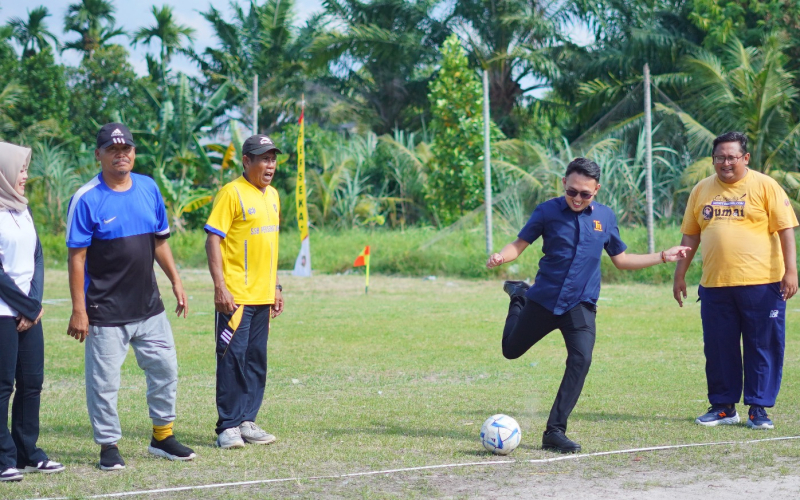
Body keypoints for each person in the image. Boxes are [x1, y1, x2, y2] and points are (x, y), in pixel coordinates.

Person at [487, 157, 691, 453]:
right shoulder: (547, 211)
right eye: (572, 191)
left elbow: (621, 261)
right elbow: (518, 245)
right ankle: (519, 296)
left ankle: (554, 431)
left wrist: (663, 256)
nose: (577, 198)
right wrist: (501, 257)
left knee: (581, 360)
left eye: (585, 193)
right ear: (563, 185)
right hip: (543, 299)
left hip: (580, 305)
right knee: (511, 350)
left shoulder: (605, 218)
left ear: (596, 189)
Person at [65, 123, 195, 470]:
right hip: (105, 310)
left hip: (149, 306)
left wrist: (176, 281)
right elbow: (76, 258)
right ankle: (109, 446)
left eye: (127, 149)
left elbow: (160, 242)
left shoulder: (149, 188)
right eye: (113, 149)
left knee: (166, 368)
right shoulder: (86, 198)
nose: (121, 155)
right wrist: (79, 309)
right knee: (104, 383)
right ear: (99, 154)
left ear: (134, 153)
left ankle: (162, 436)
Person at [673, 131, 798, 430]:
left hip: (763, 284)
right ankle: (723, 407)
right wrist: (680, 274)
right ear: (713, 159)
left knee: (762, 346)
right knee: (719, 347)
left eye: (731, 157)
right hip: (716, 284)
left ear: (745, 158)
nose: (725, 163)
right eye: (720, 157)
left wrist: (791, 272)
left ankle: (759, 409)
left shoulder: (765, 185)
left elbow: (785, 230)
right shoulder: (701, 190)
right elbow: (690, 235)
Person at [205, 134, 284, 449]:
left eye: (273, 159)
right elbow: (213, 239)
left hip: (263, 297)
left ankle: (247, 421)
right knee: (231, 358)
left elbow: (270, 246)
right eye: (263, 158)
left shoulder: (274, 195)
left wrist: (276, 286)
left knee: (255, 359)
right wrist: (220, 286)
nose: (269, 165)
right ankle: (228, 426)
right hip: (235, 298)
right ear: (246, 161)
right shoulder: (231, 193)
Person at [0, 143, 65, 482]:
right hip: (3, 314)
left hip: (29, 311)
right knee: (2, 385)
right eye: (21, 170)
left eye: (25, 169)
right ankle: (2, 458)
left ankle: (27, 452)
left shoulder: (21, 208)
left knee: (32, 383)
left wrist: (35, 302)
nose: (25, 176)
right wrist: (26, 306)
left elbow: (37, 257)